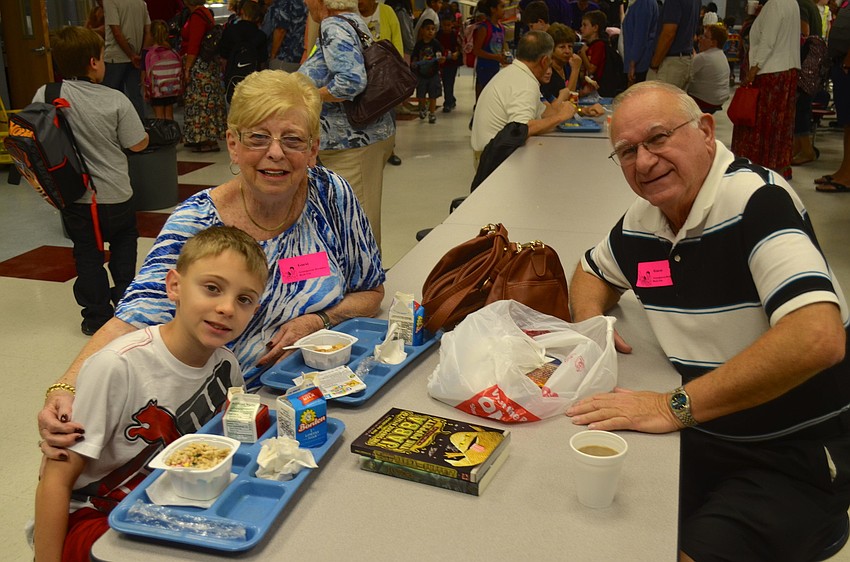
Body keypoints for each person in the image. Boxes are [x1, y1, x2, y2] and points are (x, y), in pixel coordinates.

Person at [567, 81, 850, 561]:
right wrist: (595, 327)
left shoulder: (756, 200)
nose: (644, 162)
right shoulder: (645, 218)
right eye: (627, 151)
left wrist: (673, 407)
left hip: (787, 454)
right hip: (704, 438)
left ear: (704, 130)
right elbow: (592, 271)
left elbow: (818, 337)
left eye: (658, 138)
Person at [37, 70, 385, 460]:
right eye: (257, 138)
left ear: (313, 148)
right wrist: (65, 386)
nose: (275, 153)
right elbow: (135, 315)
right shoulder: (198, 223)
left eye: (292, 140)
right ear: (232, 145)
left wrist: (317, 321)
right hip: (231, 414)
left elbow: (371, 289)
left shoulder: (330, 195)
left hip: (323, 390)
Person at [33, 226, 268, 562]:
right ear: (174, 286)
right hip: (95, 517)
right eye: (212, 288)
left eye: (244, 299)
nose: (227, 308)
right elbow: (55, 480)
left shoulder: (227, 366)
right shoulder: (117, 366)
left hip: (171, 501)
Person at [38, 26, 149, 337]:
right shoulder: (115, 99)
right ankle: (127, 308)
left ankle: (96, 316)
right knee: (124, 246)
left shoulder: (47, 94)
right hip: (116, 194)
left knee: (86, 252)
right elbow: (137, 144)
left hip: (75, 195)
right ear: (94, 62)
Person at [299, 0, 396, 247]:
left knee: (358, 221)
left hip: (353, 142)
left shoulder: (333, 25)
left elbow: (351, 81)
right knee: (354, 217)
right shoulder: (353, 20)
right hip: (365, 135)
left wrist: (308, 94)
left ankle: (366, 282)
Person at [470, 31, 578, 164]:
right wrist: (561, 117)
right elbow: (520, 129)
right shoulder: (525, 83)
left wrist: (576, 111)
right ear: (544, 61)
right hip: (495, 160)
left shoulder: (515, 73)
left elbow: (545, 113)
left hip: (491, 152)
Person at [731, 0, 800, 180]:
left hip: (769, 72)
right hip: (786, 70)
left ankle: (756, 167)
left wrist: (753, 70)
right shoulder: (792, 3)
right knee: (779, 126)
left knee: (759, 125)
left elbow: (767, 42)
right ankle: (776, 166)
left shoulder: (775, 5)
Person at [357, 0, 405, 164]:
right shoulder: (352, 13)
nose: (359, 3)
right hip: (361, 72)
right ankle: (368, 149)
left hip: (384, 71)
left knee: (388, 111)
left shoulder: (386, 11)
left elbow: (397, 40)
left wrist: (398, 68)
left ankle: (390, 150)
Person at [181, 0, 228, 153]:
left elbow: (194, 44)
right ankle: (209, 137)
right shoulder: (206, 13)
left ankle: (203, 138)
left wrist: (187, 68)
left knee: (200, 102)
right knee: (210, 100)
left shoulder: (197, 16)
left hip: (200, 66)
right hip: (209, 64)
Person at [815, 2, 850, 192]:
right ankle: (844, 170)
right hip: (842, 62)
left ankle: (847, 176)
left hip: (847, 64)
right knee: (846, 123)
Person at [103, 0, 151, 118]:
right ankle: (140, 130)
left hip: (116, 56)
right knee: (135, 96)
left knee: (111, 97)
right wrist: (140, 55)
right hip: (136, 58)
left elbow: (117, 32)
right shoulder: (140, 2)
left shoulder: (110, 1)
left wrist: (131, 55)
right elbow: (148, 31)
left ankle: (115, 131)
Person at [219, 0, 268, 103]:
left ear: (242, 11)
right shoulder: (261, 35)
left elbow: (223, 57)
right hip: (253, 80)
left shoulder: (230, 30)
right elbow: (263, 62)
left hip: (233, 77)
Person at [647, 0, 700, 89]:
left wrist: (654, 64)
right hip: (686, 60)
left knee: (656, 100)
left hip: (671, 63)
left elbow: (668, 34)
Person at [143, 19, 182, 119]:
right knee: (169, 115)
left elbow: (147, 75)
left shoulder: (150, 54)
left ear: (151, 35)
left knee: (159, 117)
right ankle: (172, 134)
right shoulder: (173, 52)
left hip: (157, 91)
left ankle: (162, 134)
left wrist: (146, 91)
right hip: (171, 89)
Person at [686, 23, 729, 112]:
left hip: (705, 100)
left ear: (713, 43)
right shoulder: (721, 54)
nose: (699, 39)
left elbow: (685, 75)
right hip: (720, 98)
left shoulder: (704, 57)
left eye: (705, 37)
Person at [473, 0, 509, 99]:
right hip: (484, 68)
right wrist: (494, 57)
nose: (504, 10)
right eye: (501, 7)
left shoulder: (502, 28)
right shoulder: (484, 28)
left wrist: (504, 56)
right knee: (483, 96)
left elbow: (501, 47)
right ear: (493, 9)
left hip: (495, 68)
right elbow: (476, 50)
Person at [411, 19, 445, 123]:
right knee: (421, 95)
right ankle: (422, 108)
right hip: (421, 75)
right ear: (422, 30)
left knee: (433, 95)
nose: (430, 31)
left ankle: (432, 113)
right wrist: (414, 64)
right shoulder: (418, 45)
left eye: (433, 29)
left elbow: (441, 56)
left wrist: (441, 60)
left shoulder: (436, 44)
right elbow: (414, 57)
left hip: (433, 74)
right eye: (428, 29)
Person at [264, 0, 309, 72]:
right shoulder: (305, 2)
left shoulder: (283, 2)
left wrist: (272, 54)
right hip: (302, 55)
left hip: (283, 57)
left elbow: (280, 30)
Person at [541, 22, 581, 100]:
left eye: (570, 46)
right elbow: (567, 101)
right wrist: (575, 70)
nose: (567, 51)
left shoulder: (568, 66)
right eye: (562, 47)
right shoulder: (546, 72)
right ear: (551, 49)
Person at [621, 0, 658, 85]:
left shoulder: (644, 3)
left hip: (640, 64)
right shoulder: (638, 3)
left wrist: (632, 64)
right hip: (636, 62)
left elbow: (640, 36)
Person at [438, 14, 463, 112]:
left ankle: (448, 102)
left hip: (452, 63)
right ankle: (450, 99)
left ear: (452, 24)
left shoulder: (455, 35)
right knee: (445, 82)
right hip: (443, 62)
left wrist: (456, 53)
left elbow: (460, 47)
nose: (446, 27)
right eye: (444, 25)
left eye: (448, 25)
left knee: (449, 82)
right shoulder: (439, 34)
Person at [578, 10, 608, 88]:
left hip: (597, 89)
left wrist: (583, 53)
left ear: (595, 28)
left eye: (585, 25)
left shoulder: (599, 45)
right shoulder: (588, 45)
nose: (581, 28)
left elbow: (591, 69)